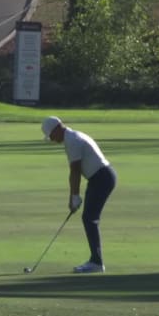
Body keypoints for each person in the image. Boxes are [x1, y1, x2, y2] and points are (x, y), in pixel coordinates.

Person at [42, 116, 116, 274]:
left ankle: (97, 262)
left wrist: (74, 196)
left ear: (57, 129)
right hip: (99, 177)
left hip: (102, 178)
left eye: (51, 136)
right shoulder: (73, 136)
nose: (52, 140)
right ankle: (95, 260)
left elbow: (75, 171)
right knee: (89, 217)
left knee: (89, 218)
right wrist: (74, 196)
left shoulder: (72, 141)